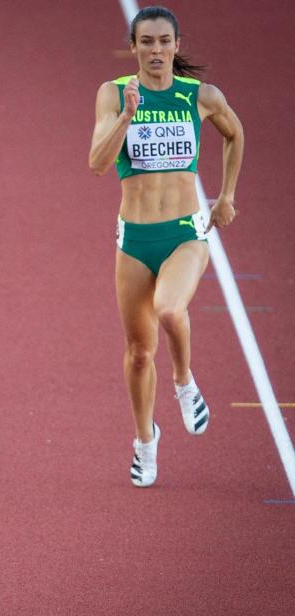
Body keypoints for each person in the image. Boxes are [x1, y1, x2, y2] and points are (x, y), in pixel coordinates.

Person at [89, 5, 243, 487]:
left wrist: (227, 196)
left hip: (184, 233)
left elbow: (234, 135)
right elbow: (97, 162)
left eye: (164, 42)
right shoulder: (114, 94)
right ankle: (145, 442)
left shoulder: (201, 96)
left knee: (171, 310)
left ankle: (183, 382)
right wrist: (127, 116)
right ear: (133, 47)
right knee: (138, 352)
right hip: (134, 239)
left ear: (177, 46)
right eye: (146, 42)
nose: (156, 50)